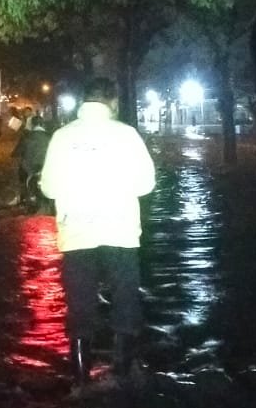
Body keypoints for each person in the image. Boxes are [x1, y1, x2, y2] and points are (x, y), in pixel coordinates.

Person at [37, 77, 156, 389]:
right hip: (120, 230)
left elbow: (48, 187)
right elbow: (147, 184)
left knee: (80, 301)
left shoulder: (62, 137)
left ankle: (79, 376)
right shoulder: (127, 135)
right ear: (112, 103)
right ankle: (123, 369)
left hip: (76, 231)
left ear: (83, 102)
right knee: (126, 296)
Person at [12, 113, 51, 210]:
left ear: (32, 125)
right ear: (43, 124)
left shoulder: (26, 137)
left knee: (21, 177)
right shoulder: (50, 136)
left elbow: (16, 152)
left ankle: (23, 198)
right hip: (46, 167)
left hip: (28, 168)